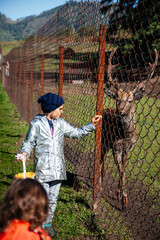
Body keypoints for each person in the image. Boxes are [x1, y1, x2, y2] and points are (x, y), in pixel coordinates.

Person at [19, 92, 102, 237]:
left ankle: (47, 223)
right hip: (42, 170)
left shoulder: (61, 124)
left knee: (52, 199)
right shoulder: (36, 124)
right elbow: (29, 142)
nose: (62, 112)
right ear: (52, 108)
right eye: (60, 108)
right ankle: (38, 223)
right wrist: (25, 153)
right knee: (42, 199)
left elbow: (76, 133)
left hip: (58, 170)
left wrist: (91, 125)